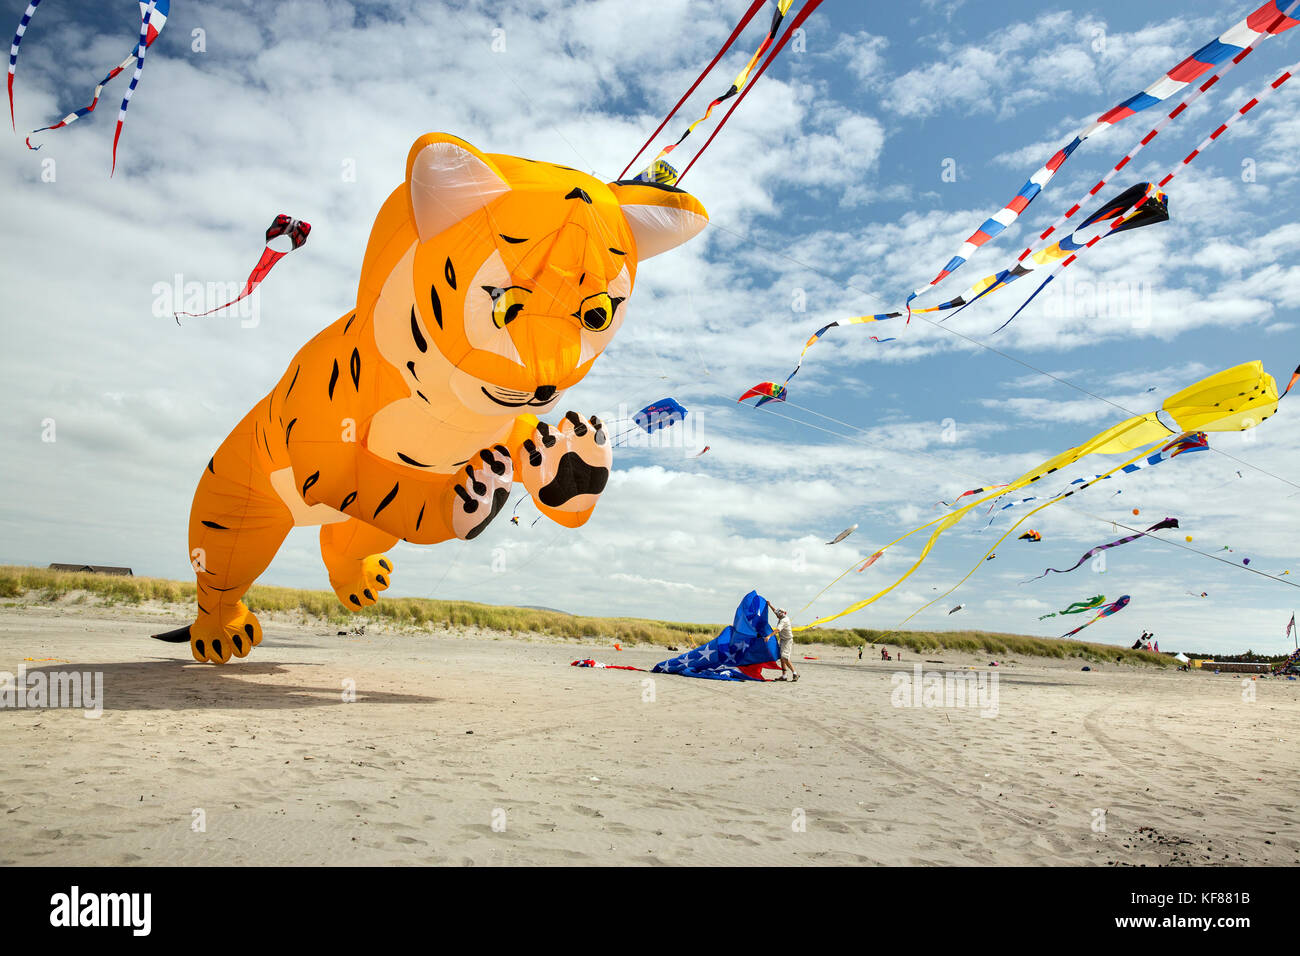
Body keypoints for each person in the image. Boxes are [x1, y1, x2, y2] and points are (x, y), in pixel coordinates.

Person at [773, 608, 799, 682]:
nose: (777, 616)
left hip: (787, 640)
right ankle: (784, 676)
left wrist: (769, 636)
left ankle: (795, 673)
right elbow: (775, 612)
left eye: (778, 614)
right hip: (782, 640)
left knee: (784, 657)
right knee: (782, 657)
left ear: (781, 614)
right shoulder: (781, 616)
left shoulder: (783, 620)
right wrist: (769, 604)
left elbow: (777, 630)